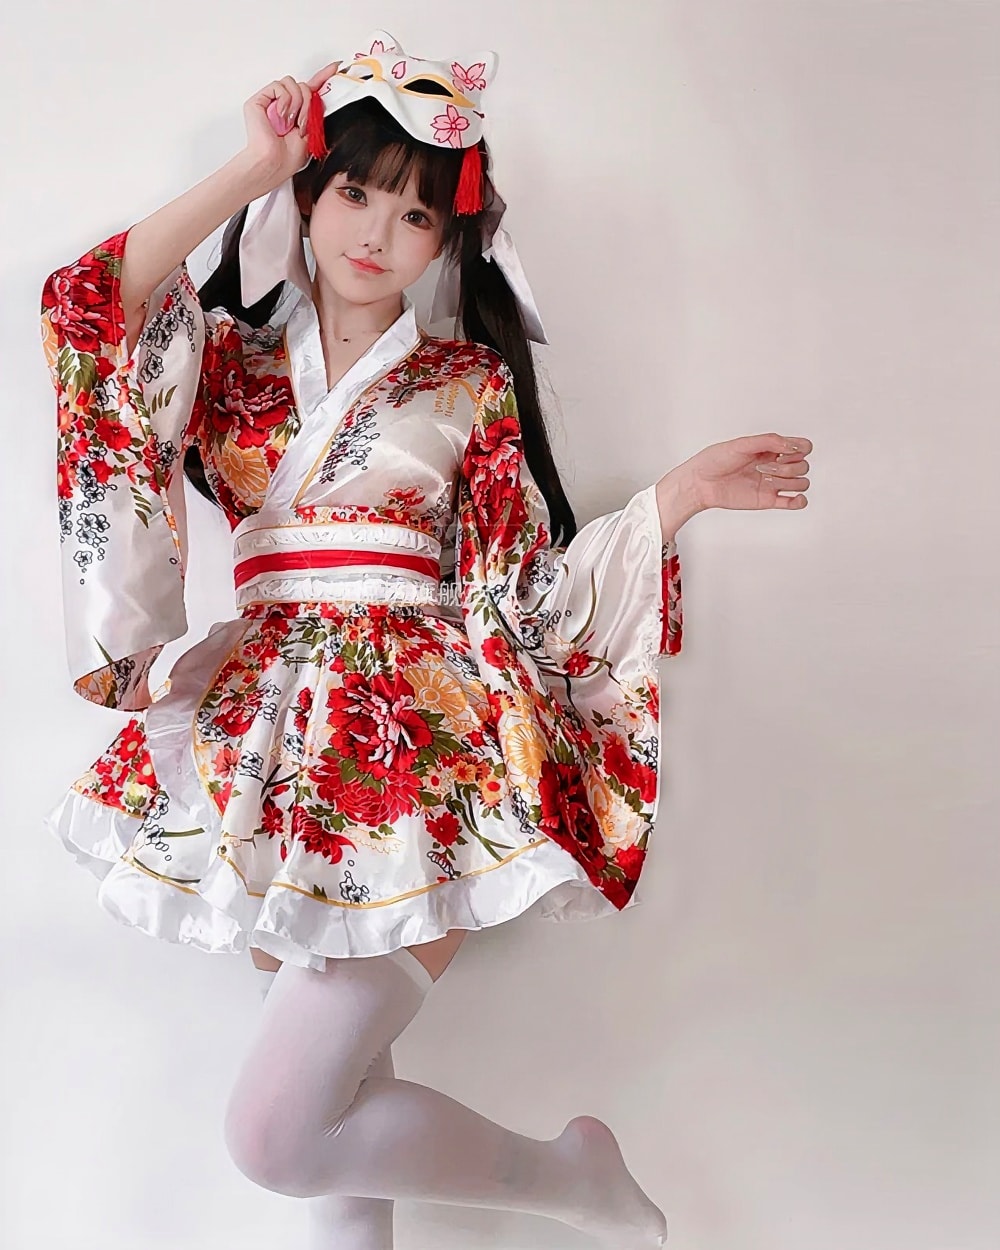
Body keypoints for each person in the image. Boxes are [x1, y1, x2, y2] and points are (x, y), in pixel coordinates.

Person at [39, 30, 812, 1249]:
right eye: (353, 191)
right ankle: (559, 1182)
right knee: (336, 1130)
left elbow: (522, 591)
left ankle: (572, 1178)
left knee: (277, 1134)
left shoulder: (465, 382)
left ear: (448, 239)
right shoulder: (231, 366)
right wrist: (253, 165)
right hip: (270, 736)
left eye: (414, 213)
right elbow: (91, 306)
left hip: (417, 743)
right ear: (310, 196)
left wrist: (675, 498)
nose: (376, 231)